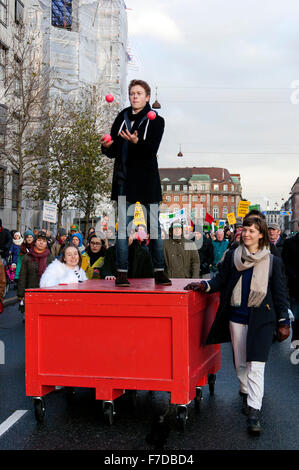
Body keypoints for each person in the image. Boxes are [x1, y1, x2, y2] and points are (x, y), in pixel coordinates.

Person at [184, 215, 290, 435]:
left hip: (262, 318)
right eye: (245, 230)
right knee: (241, 363)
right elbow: (219, 281)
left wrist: (283, 322)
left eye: (252, 231)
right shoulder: (233, 256)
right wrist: (204, 285)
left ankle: (254, 411)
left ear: (261, 235)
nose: (246, 234)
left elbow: (280, 294)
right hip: (236, 317)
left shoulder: (272, 261)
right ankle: (245, 392)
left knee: (256, 365)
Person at [101, 79, 171, 288]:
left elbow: (151, 150)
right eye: (132, 93)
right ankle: (122, 272)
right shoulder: (122, 117)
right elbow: (113, 151)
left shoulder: (156, 121)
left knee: (154, 228)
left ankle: (159, 271)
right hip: (125, 180)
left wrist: (136, 142)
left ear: (147, 97)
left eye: (139, 93)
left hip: (147, 180)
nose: (134, 97)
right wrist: (106, 146)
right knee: (122, 229)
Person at [17, 232, 54, 314]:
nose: (41, 243)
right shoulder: (27, 257)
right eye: (39, 240)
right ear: (35, 242)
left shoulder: (50, 258)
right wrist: (21, 294)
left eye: (44, 241)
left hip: (46, 294)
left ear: (46, 243)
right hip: (31, 292)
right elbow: (22, 276)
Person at [282, 227, 299, 344]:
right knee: (297, 319)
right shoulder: (290, 243)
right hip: (296, 287)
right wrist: (295, 276)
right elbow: (285, 265)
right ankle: (296, 343)